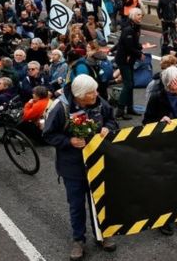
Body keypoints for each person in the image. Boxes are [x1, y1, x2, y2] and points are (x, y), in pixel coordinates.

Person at [42, 74, 118, 260]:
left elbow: (112, 120)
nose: (96, 94)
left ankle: (102, 235)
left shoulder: (99, 101)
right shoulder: (60, 107)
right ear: (80, 95)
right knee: (76, 205)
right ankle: (78, 240)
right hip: (72, 167)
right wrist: (69, 141)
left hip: (97, 163)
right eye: (91, 93)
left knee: (99, 200)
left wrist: (109, 127)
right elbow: (48, 134)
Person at [142, 66, 177, 236]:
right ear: (172, 83)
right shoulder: (157, 98)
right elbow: (146, 121)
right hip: (163, 146)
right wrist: (159, 121)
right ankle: (163, 219)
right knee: (165, 183)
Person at [114, 8, 145, 119]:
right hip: (124, 60)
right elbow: (128, 46)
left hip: (129, 59)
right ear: (132, 16)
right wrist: (139, 53)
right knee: (128, 84)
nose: (140, 16)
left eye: (141, 14)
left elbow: (129, 43)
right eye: (138, 15)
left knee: (130, 83)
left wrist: (139, 46)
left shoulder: (135, 27)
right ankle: (120, 111)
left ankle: (130, 108)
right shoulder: (128, 29)